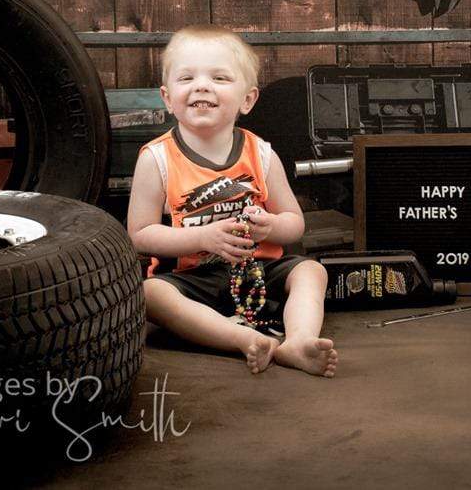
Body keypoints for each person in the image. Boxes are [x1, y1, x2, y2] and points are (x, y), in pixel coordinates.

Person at [127, 25, 338, 377]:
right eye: (187, 77)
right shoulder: (157, 159)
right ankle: (241, 339)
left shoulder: (261, 153)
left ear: (248, 100)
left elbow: (294, 222)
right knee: (150, 295)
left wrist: (269, 227)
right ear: (167, 97)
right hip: (191, 279)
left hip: (257, 271)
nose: (202, 85)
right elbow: (140, 234)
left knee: (310, 271)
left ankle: (298, 341)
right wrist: (201, 238)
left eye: (220, 78)